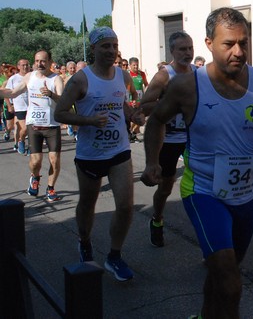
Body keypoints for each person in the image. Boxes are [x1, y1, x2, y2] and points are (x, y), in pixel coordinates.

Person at [141, 8, 253, 317]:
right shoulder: (188, 86)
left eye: (244, 42)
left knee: (223, 272)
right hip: (204, 192)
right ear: (209, 43)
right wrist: (151, 162)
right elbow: (156, 120)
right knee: (230, 282)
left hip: (249, 194)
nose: (239, 52)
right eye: (229, 44)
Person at [54, 27, 138, 281]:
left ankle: (114, 256)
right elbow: (60, 113)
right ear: (93, 49)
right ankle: (84, 240)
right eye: (105, 46)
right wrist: (87, 120)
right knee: (88, 205)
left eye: (114, 45)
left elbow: (122, 104)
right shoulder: (81, 79)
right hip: (90, 154)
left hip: (119, 151)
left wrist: (134, 114)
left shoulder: (123, 75)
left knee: (125, 206)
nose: (111, 51)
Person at [138, 31, 195, 247]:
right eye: (182, 49)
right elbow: (145, 105)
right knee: (165, 188)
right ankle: (157, 219)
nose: (187, 53)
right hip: (169, 140)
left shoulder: (198, 73)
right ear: (172, 51)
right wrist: (171, 103)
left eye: (190, 48)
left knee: (202, 185)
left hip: (192, 139)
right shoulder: (164, 75)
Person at [0, 51, 65, 201]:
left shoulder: (56, 79)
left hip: (51, 125)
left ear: (50, 62)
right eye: (36, 61)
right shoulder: (30, 77)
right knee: (36, 161)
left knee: (54, 159)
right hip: (34, 125)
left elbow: (62, 100)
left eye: (42, 61)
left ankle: (51, 189)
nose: (39, 64)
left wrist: (51, 94)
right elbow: (14, 92)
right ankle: (35, 177)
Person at [5, 59, 30, 154]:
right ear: (18, 67)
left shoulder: (33, 77)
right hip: (20, 107)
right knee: (25, 128)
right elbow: (7, 92)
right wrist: (9, 105)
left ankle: (31, 148)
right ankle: (21, 140)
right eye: (23, 65)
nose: (25, 67)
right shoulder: (13, 79)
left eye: (27, 65)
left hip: (32, 107)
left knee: (32, 129)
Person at [128, 57, 148, 143]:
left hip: (140, 100)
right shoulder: (127, 74)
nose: (136, 67)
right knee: (134, 118)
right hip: (131, 99)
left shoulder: (142, 74)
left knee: (141, 118)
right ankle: (130, 132)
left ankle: (133, 133)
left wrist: (146, 94)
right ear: (130, 66)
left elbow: (146, 84)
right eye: (134, 65)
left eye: (137, 65)